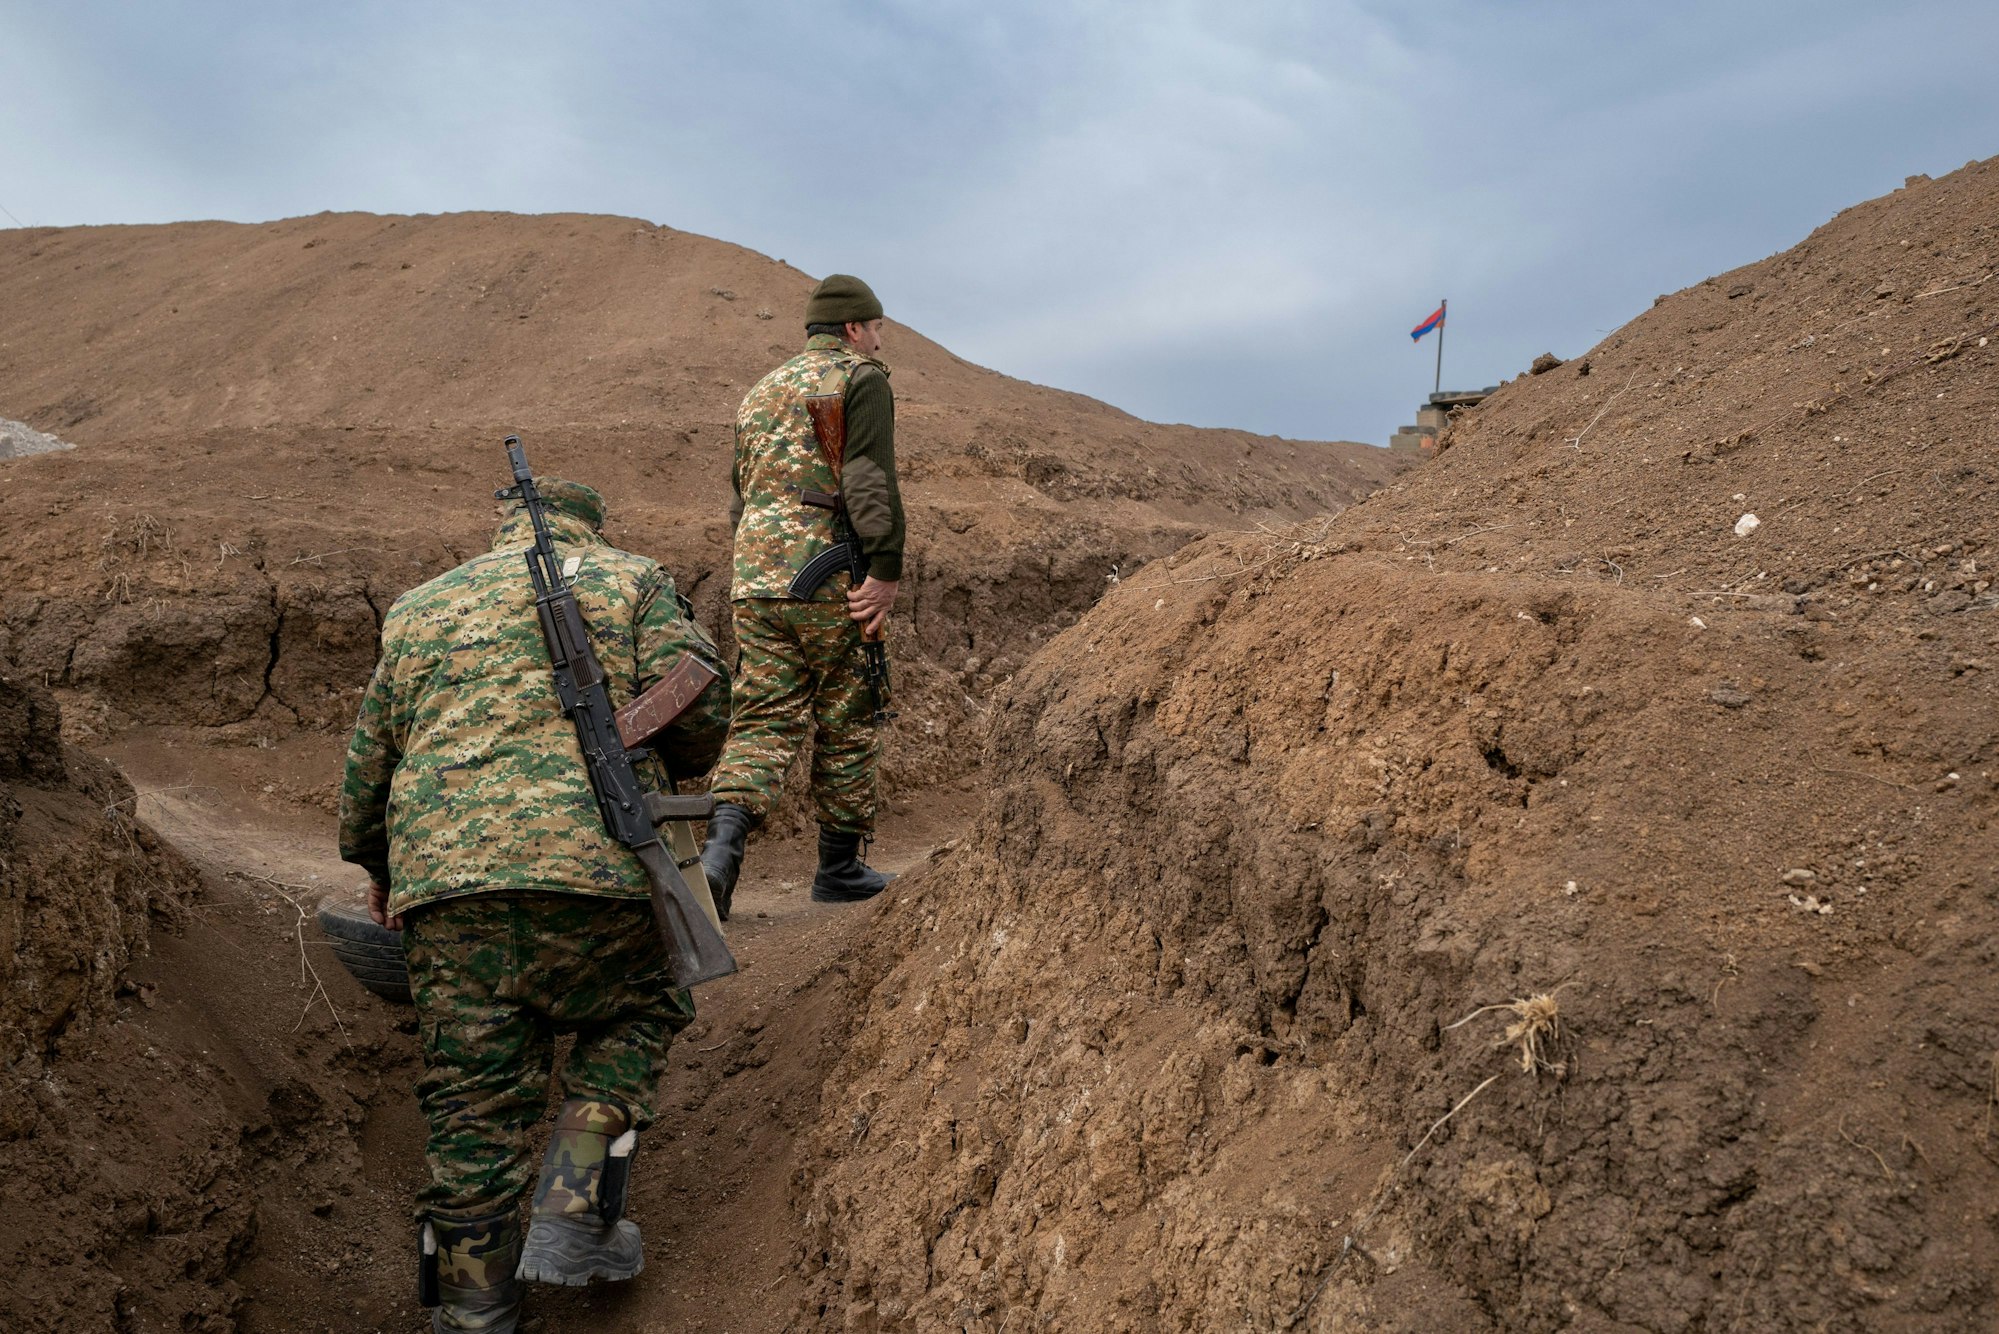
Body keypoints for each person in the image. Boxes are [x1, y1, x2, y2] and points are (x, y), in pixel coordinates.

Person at [338, 479, 730, 1334]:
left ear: (503, 527)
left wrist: (380, 869)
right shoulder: (632, 582)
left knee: (470, 1105)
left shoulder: (418, 607)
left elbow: (370, 765)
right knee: (640, 1008)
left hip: (452, 894)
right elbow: (699, 724)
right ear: (591, 523)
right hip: (605, 875)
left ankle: (475, 1308)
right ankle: (575, 1198)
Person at [700, 273, 904, 916]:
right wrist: (885, 568)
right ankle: (839, 868)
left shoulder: (760, 392)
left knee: (762, 717)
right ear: (852, 328)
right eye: (874, 328)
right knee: (848, 710)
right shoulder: (858, 379)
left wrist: (762, 566)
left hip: (757, 583)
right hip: (828, 578)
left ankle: (718, 858)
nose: (877, 340)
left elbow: (739, 498)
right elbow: (868, 479)